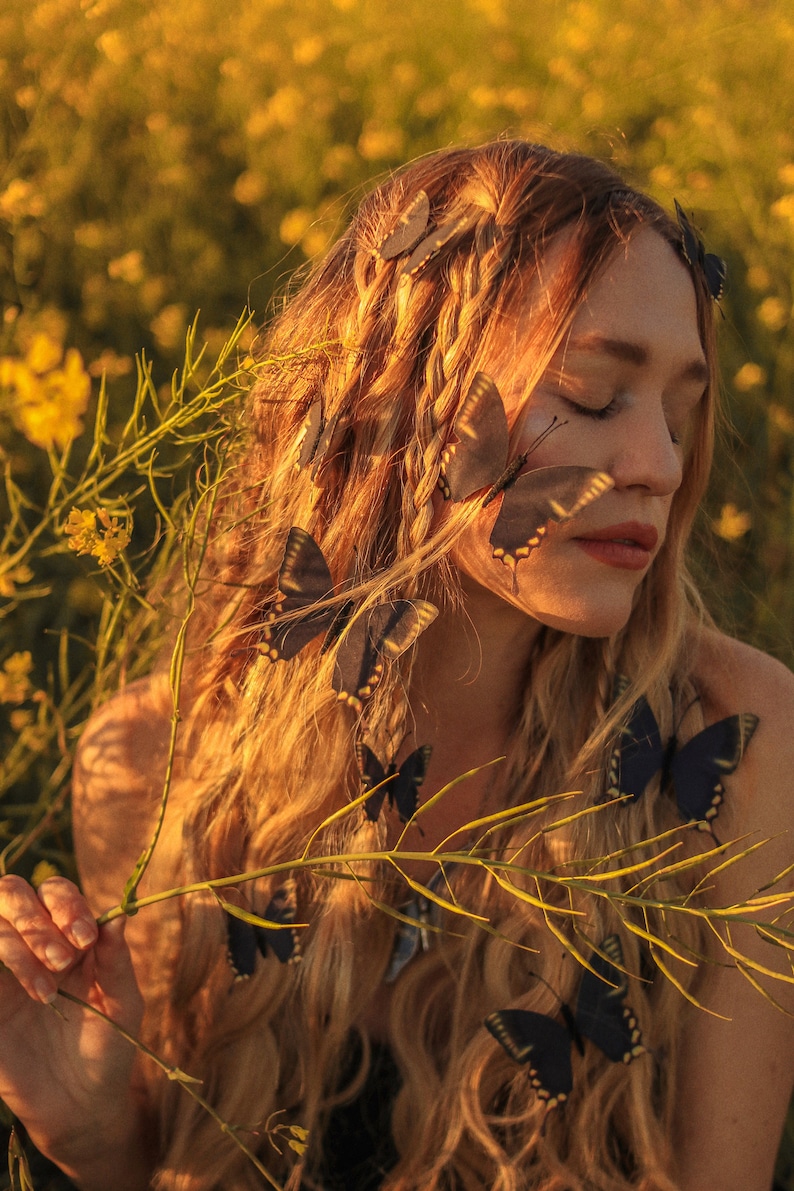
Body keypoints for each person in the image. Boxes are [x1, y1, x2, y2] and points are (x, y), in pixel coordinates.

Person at [0, 139, 793, 1191]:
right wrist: (103, 1145)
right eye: (595, 397)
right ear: (398, 394)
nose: (656, 464)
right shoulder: (156, 759)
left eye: (681, 415)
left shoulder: (732, 737)